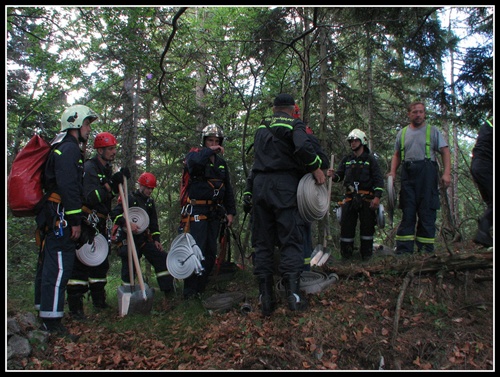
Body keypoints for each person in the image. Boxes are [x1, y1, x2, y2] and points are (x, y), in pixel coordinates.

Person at [250, 93, 326, 316]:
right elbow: (303, 148)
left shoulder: (261, 127)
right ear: (293, 108)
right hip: (284, 186)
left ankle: (266, 299)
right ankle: (293, 297)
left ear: (274, 109)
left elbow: (256, 161)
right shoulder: (295, 124)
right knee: (290, 239)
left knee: (263, 242)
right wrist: (316, 168)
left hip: (260, 186)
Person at [34, 104, 98, 339]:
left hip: (52, 213)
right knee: (60, 267)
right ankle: (52, 322)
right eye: (87, 124)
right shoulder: (69, 149)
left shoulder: (59, 146)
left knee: (48, 264)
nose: (89, 129)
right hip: (60, 215)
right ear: (75, 123)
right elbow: (69, 187)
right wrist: (74, 221)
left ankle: (43, 312)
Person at [66, 132, 130, 320]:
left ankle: (99, 301)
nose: (113, 152)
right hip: (87, 219)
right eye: (110, 149)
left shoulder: (107, 169)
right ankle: (76, 308)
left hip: (101, 221)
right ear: (99, 150)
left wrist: (118, 180)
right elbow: (91, 197)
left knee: (100, 263)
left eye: (114, 148)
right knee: (81, 264)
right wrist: (111, 184)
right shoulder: (90, 168)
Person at [181, 125, 237, 299]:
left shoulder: (221, 164)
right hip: (197, 210)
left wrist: (230, 212)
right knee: (195, 250)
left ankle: (201, 289)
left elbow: (227, 188)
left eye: (216, 141)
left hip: (214, 213)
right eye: (210, 141)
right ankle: (190, 291)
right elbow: (193, 164)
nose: (214, 144)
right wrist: (209, 151)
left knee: (210, 252)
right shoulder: (195, 156)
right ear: (204, 142)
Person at [388, 101, 451, 254]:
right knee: (408, 212)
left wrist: (446, 173)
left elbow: (445, 151)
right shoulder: (402, 133)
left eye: (421, 112)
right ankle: (404, 252)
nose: (418, 115)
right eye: (415, 112)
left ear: (424, 114)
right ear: (409, 114)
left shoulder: (432, 131)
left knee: (427, 212)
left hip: (427, 175)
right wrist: (393, 172)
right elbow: (397, 155)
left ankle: (425, 253)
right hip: (408, 175)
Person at [110, 172, 175, 300]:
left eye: (152, 189)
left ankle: (168, 293)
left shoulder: (150, 202)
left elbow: (154, 224)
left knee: (162, 258)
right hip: (128, 241)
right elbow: (114, 215)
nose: (150, 191)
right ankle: (128, 298)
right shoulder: (130, 198)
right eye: (148, 188)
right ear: (141, 186)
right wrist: (128, 224)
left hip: (144, 240)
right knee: (129, 269)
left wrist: (156, 240)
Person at [327, 129, 384, 261]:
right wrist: (333, 175)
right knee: (346, 229)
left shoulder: (370, 160)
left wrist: (377, 197)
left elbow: (378, 180)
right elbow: (339, 176)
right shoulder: (347, 160)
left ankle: (367, 258)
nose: (352, 143)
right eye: (351, 141)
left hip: (367, 199)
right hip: (350, 198)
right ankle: (346, 258)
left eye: (355, 140)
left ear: (363, 141)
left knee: (367, 228)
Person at [470, 117, 493, 247]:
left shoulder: (488, 125)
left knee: (491, 203)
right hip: (484, 166)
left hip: (478, 165)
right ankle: (482, 233)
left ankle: (484, 235)